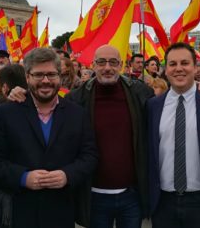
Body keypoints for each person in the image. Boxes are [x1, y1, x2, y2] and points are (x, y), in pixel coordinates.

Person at [0, 48, 98, 228]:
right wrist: (23, 177)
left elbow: (89, 156)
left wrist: (67, 175)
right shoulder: (5, 113)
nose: (45, 81)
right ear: (27, 77)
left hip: (61, 214)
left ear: (60, 76)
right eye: (38, 75)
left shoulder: (77, 114)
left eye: (51, 74)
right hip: (18, 213)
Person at [66, 45, 154, 228]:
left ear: (121, 65)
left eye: (113, 62)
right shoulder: (76, 99)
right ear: (93, 65)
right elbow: (45, 107)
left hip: (131, 195)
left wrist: (198, 86)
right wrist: (19, 94)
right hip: (94, 195)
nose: (107, 67)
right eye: (101, 62)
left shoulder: (140, 93)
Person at [147, 42, 200, 228]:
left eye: (185, 63)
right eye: (172, 64)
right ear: (165, 70)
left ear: (195, 67)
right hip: (163, 201)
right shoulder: (152, 106)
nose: (179, 69)